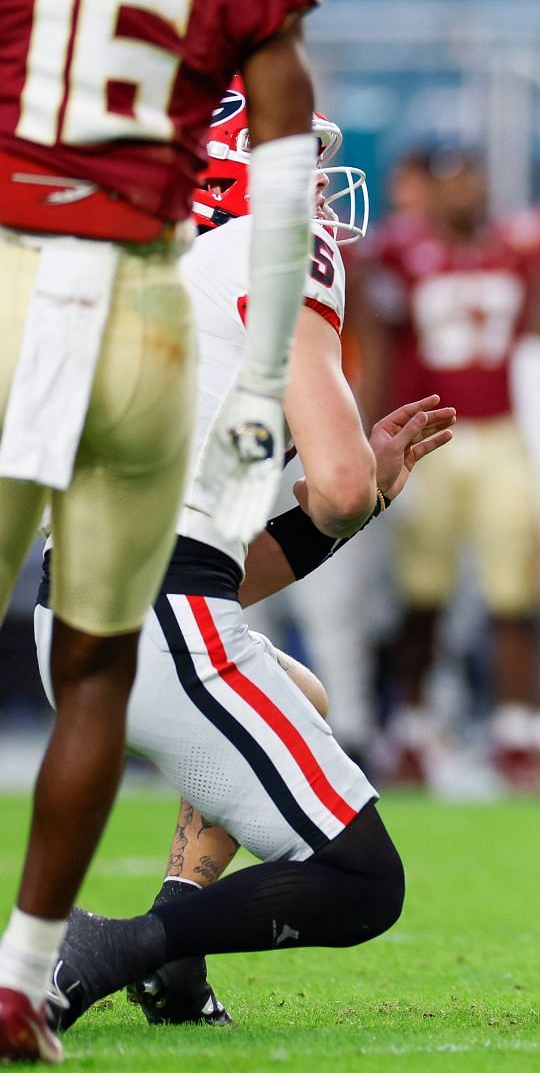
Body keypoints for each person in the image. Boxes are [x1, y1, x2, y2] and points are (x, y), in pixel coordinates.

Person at [0, 0, 325, 1056]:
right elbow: (283, 187)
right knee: (97, 665)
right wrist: (258, 386)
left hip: (18, 278)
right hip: (145, 305)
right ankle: (23, 980)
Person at [31, 85, 454, 1036]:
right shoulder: (268, 253)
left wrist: (342, 502)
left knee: (291, 689)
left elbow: (223, 562)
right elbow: (339, 485)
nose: (315, 187)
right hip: (156, 618)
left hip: (93, 611)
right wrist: (360, 487)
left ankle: (175, 957)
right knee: (363, 881)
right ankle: (114, 950)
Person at [354, 149, 540, 784]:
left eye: (474, 177)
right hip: (428, 437)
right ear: (429, 193)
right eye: (452, 182)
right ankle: (411, 726)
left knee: (513, 586)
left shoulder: (518, 249)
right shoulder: (397, 254)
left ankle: (516, 728)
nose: (466, 192)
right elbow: (380, 346)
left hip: (501, 432)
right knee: (422, 591)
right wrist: (374, 433)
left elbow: (538, 340)